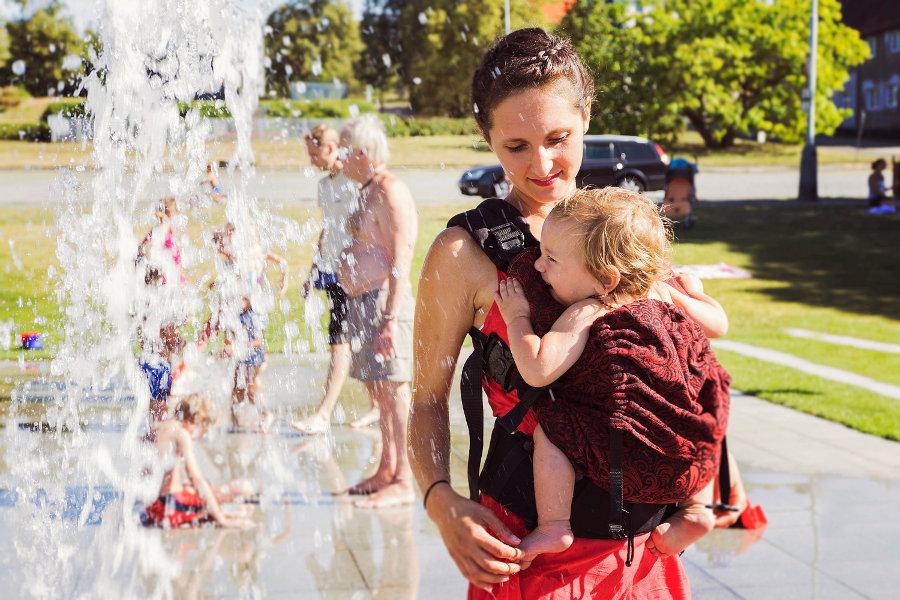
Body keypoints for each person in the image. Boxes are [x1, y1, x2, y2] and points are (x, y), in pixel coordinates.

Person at [408, 27, 740, 598]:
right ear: (486, 137)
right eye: (516, 146)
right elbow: (425, 399)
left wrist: (701, 479)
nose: (542, 164)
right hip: (530, 555)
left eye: (559, 137)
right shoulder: (463, 254)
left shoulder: (618, 231)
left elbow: (675, 358)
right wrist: (441, 501)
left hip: (645, 554)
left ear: (587, 114)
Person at [493, 187, 729, 565]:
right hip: (687, 463)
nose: (538, 266)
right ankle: (697, 510)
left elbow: (538, 370)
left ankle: (555, 526)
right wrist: (696, 293)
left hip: (627, 466)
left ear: (605, 280)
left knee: (549, 427)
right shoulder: (662, 293)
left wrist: (517, 318)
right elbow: (718, 324)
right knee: (702, 412)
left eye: (551, 259)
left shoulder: (589, 310)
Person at [337, 114, 418, 508]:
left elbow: (402, 257)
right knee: (378, 390)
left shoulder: (390, 190)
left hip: (385, 303)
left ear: (364, 152)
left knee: (394, 387)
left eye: (344, 148)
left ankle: (403, 478)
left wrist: (390, 317)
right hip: (364, 302)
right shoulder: (367, 189)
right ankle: (386, 469)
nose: (337, 155)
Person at [292, 124, 379, 435]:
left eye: (314, 153)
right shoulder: (323, 186)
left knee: (341, 342)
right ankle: (377, 405)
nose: (311, 159)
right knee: (349, 342)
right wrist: (312, 271)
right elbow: (327, 230)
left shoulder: (352, 182)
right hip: (331, 271)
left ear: (330, 149)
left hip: (356, 273)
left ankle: (324, 414)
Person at [142, 392, 255, 528]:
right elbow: (196, 479)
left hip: (151, 508)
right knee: (243, 488)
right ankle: (212, 516)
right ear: (199, 420)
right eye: (204, 430)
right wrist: (222, 520)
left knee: (190, 488)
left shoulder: (157, 428)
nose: (202, 436)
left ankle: (205, 514)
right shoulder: (182, 434)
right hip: (170, 509)